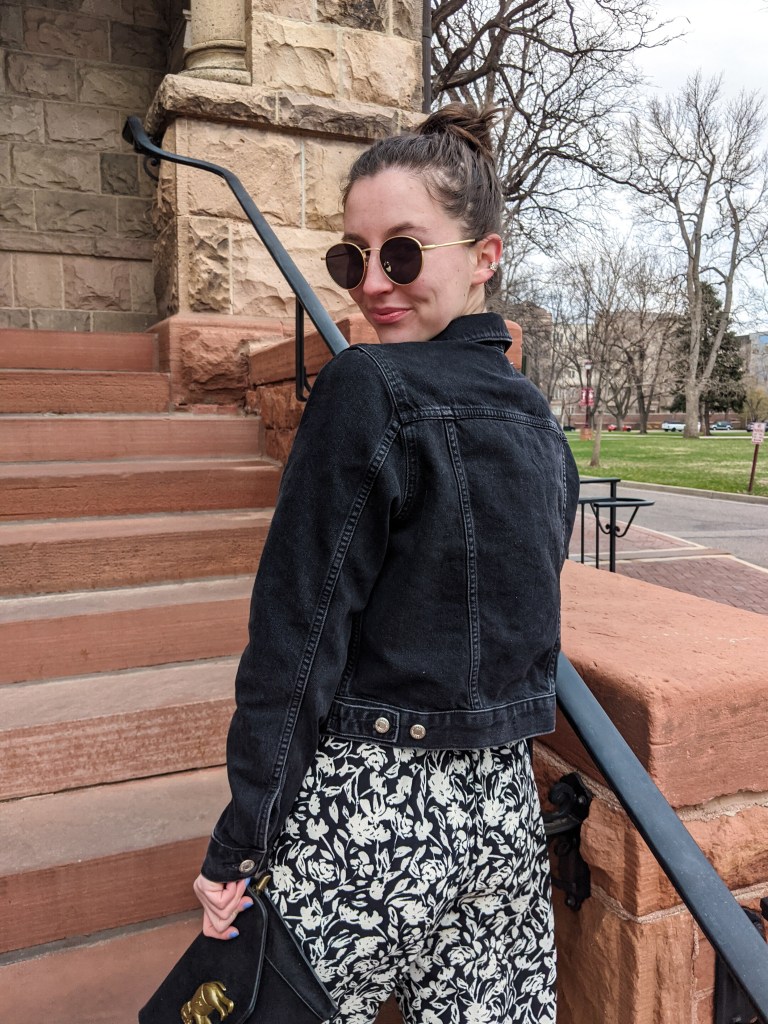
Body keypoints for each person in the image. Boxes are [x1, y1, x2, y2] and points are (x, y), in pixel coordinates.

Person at [193, 102, 579, 1024]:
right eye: (350, 258)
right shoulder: (539, 425)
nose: (372, 284)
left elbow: (297, 637)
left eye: (402, 253)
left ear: (485, 256)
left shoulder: (366, 386)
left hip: (369, 812)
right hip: (500, 819)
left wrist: (241, 841)